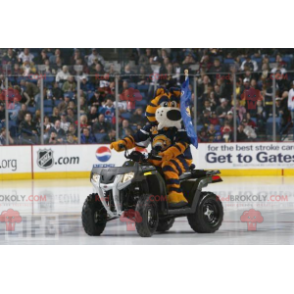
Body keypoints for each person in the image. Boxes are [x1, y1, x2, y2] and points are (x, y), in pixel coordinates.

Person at [111, 88, 194, 209]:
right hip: (158, 157)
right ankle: (133, 195)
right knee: (140, 168)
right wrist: (123, 143)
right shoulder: (152, 126)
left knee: (168, 166)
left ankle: (176, 194)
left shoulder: (180, 128)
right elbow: (137, 138)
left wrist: (168, 153)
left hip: (180, 158)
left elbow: (182, 145)